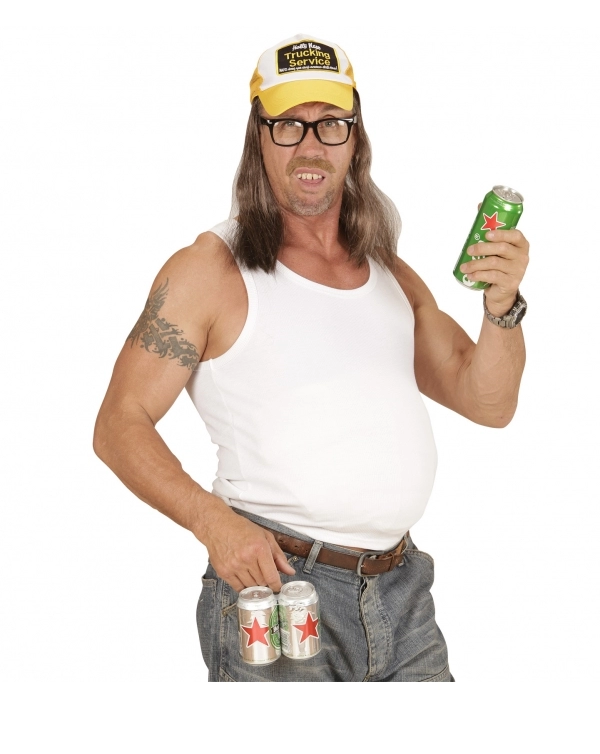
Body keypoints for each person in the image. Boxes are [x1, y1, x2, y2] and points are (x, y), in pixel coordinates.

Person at [93, 33, 529, 682]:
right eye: (288, 124)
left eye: (330, 123)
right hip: (276, 585)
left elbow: (487, 402)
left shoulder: (389, 272)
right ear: (258, 137)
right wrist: (214, 524)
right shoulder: (209, 270)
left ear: (355, 139)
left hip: (402, 593)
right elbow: (118, 424)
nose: (310, 145)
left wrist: (501, 306)